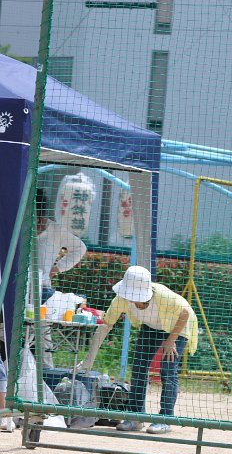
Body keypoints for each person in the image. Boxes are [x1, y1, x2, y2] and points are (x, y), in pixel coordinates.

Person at [78, 266, 198, 434]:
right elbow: (106, 325)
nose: (132, 299)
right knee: (139, 368)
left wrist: (171, 340)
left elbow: (185, 313)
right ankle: (135, 417)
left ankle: (165, 419)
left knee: (167, 370)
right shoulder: (121, 299)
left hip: (177, 326)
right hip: (151, 326)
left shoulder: (163, 296)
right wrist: (89, 359)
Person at [33, 184, 90, 368]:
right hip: (17, 287)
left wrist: (58, 268)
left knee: (42, 336)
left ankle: (46, 375)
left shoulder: (55, 230)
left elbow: (79, 248)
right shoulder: (19, 227)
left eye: (38, 218)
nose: (36, 223)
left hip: (42, 290)